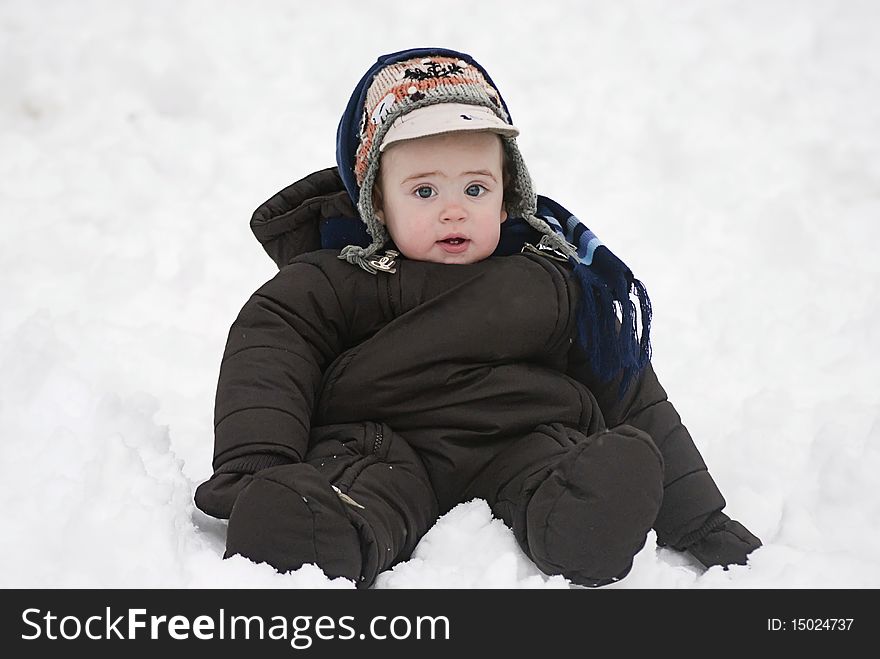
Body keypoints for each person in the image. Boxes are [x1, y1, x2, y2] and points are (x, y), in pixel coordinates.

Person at [194, 47, 761, 588]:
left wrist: (697, 518)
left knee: (566, 473)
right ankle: (316, 535)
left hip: (520, 436)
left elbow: (630, 387)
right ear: (376, 202)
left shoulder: (552, 278)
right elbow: (271, 350)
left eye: (474, 187)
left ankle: (585, 522)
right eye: (422, 191)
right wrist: (256, 462)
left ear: (508, 195)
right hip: (382, 442)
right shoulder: (344, 277)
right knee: (351, 493)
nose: (452, 208)